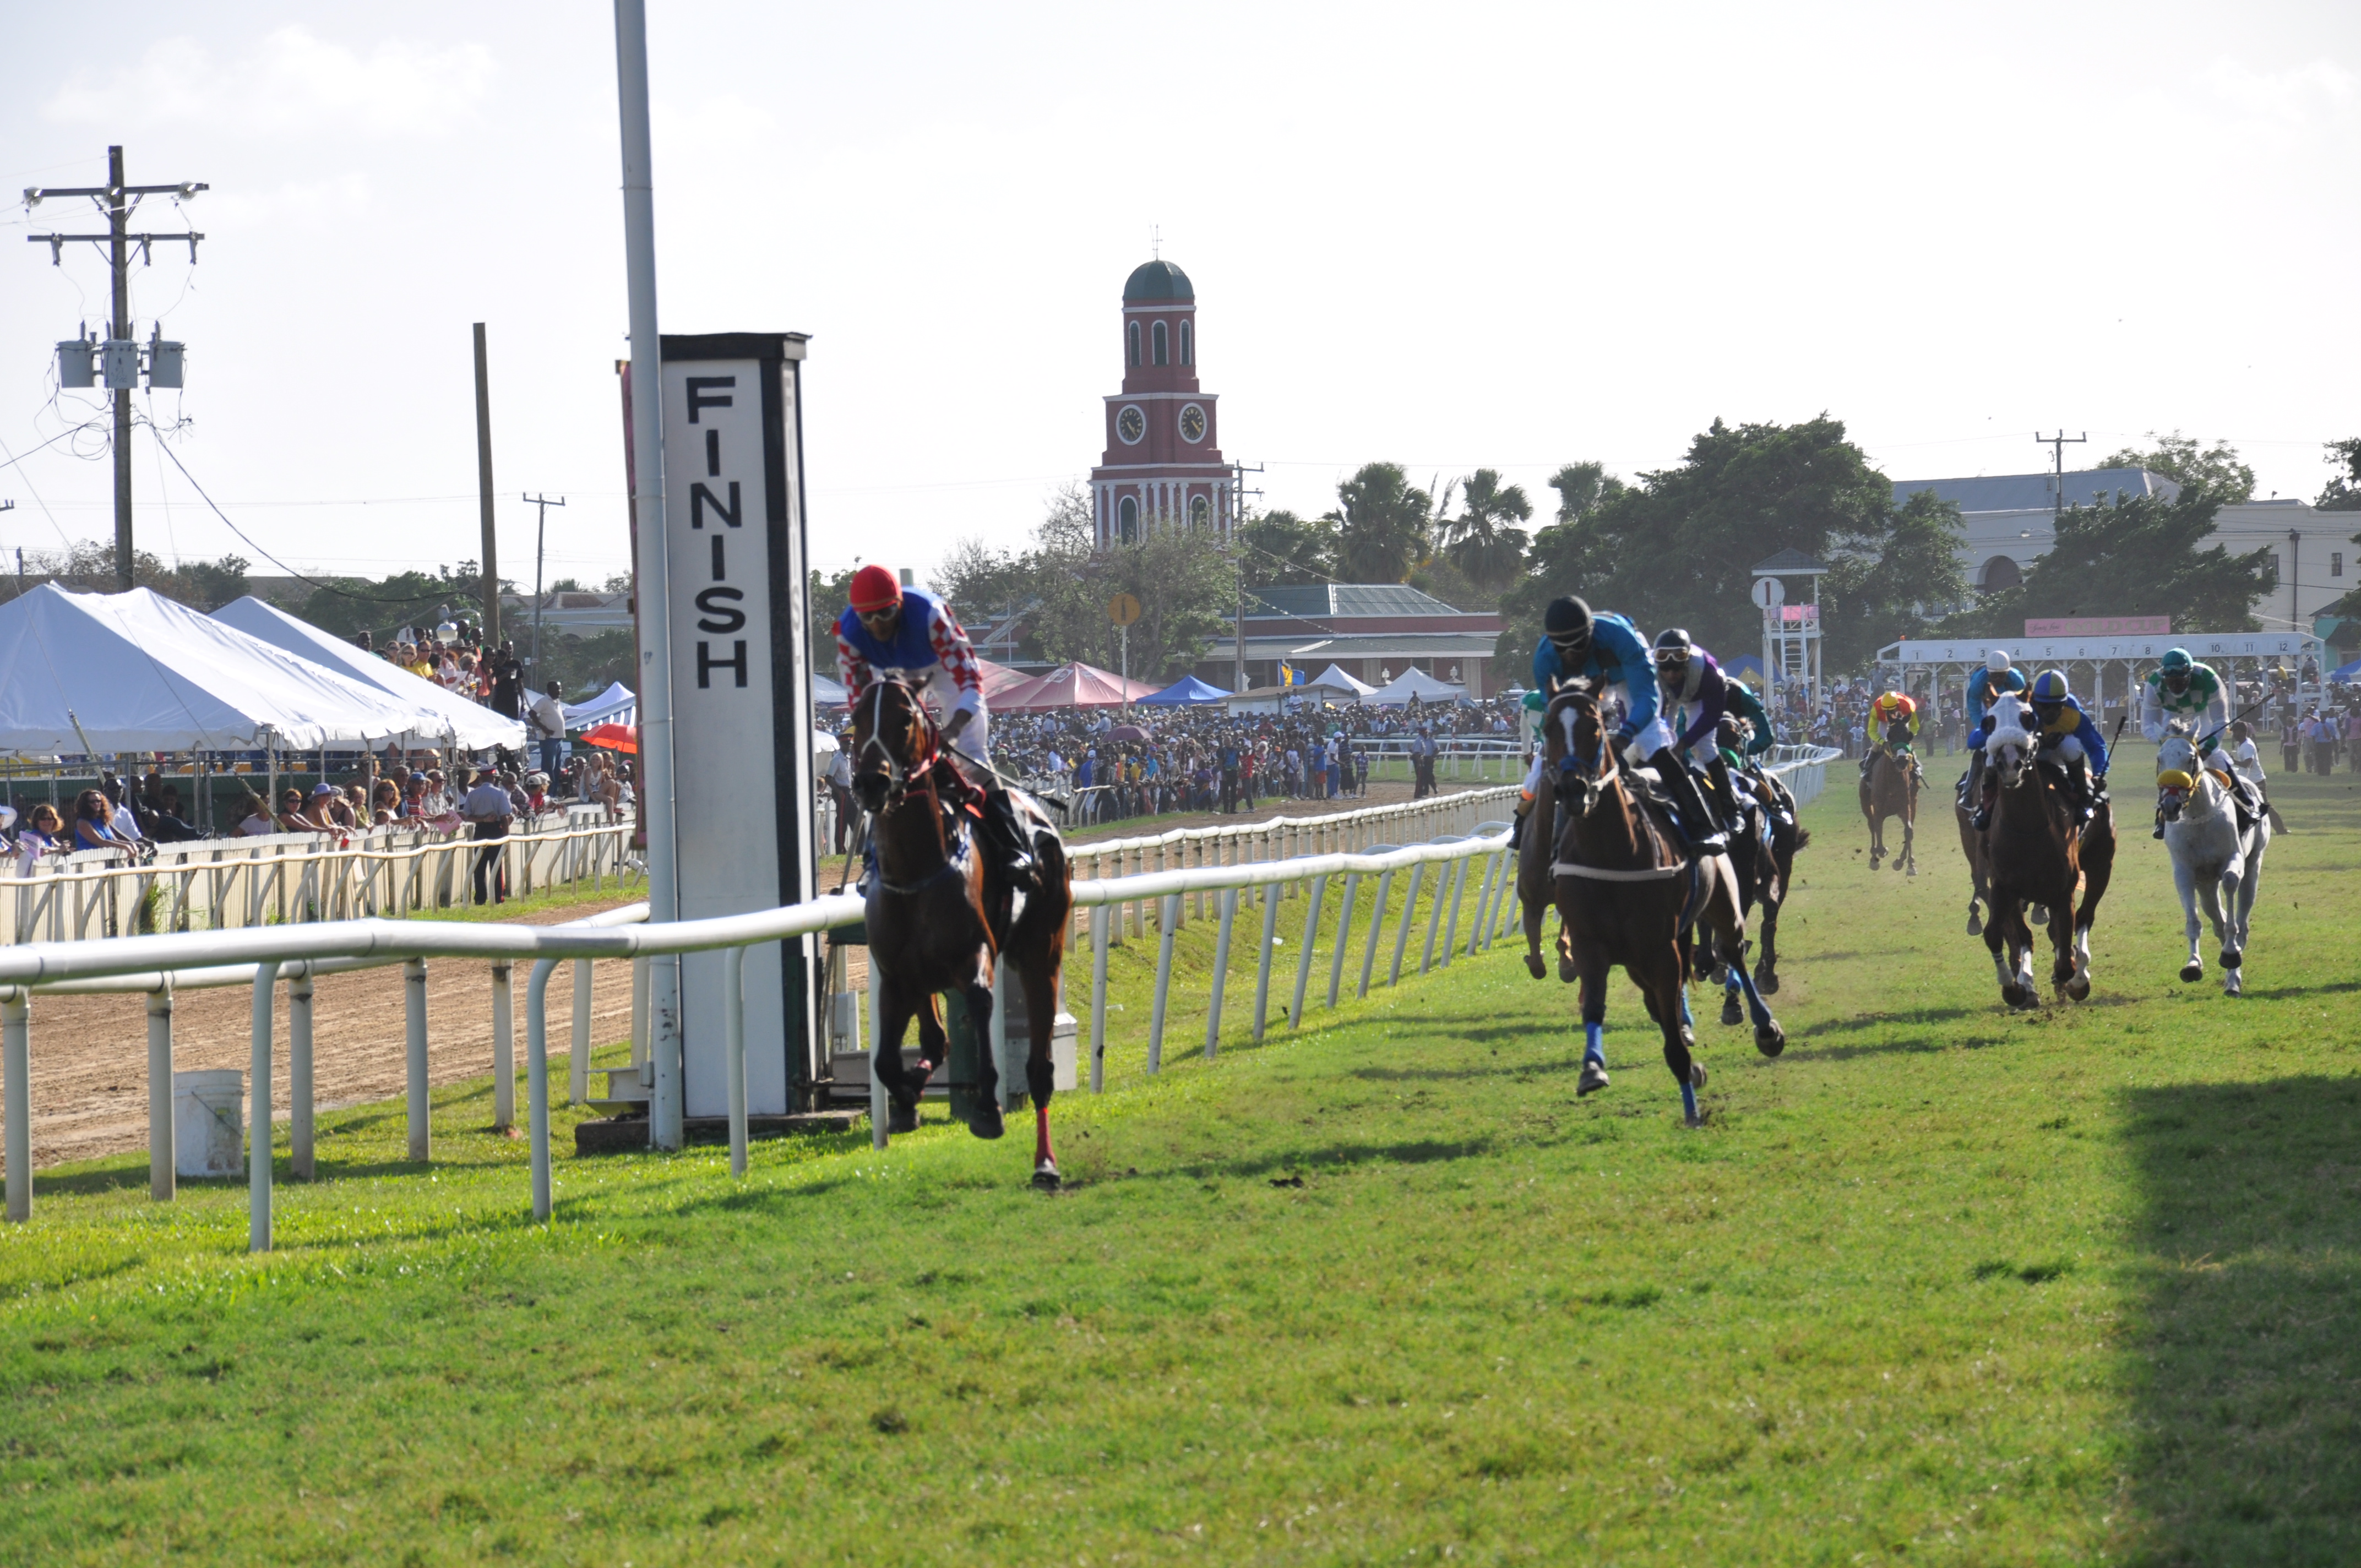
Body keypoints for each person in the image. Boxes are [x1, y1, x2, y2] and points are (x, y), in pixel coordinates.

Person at [834, 563, 1036, 888]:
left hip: (941, 666)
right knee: (881, 766)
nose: (877, 626)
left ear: (899, 605)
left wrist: (951, 731)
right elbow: (861, 706)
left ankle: (1014, 847)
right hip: (885, 673)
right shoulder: (848, 634)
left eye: (884, 614)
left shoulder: (931, 616)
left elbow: (970, 681)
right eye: (867, 618)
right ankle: (874, 857)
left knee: (971, 754)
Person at [1515, 595, 1720, 853]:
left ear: (1590, 634)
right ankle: (1529, 826)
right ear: (1553, 644)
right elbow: (1554, 716)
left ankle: (1702, 826)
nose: (1571, 655)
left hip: (1624, 674)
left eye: (1578, 646)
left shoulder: (1622, 639)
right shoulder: (1544, 658)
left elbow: (1647, 698)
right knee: (1558, 751)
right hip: (1581, 684)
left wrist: (1626, 735)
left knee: (1648, 740)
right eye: (1563, 649)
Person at [1974, 668, 2107, 829]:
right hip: (2025, 753)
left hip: (2057, 754)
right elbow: (1976, 739)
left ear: (2065, 703)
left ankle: (2083, 799)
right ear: (2034, 701)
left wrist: (2099, 773)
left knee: (2071, 746)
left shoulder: (2074, 713)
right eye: (2044, 706)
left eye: (2058, 707)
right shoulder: (2020, 706)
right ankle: (1986, 807)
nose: (2051, 713)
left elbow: (2096, 746)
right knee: (1990, 755)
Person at [1959, 650, 2029, 813]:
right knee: (1983, 748)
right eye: (1995, 676)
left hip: (2012, 711)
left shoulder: (2017, 680)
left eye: (2002, 676)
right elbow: (1974, 709)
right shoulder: (1978, 682)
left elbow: (2024, 707)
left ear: (2008, 672)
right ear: (1988, 673)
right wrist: (1985, 727)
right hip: (1988, 710)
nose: (1998, 679)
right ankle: (1968, 791)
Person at [462, 764, 515, 905]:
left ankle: (480, 898)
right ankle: (498, 897)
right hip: (495, 830)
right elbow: (504, 817)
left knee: (479, 867)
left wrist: (482, 819)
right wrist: (506, 839)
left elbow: (467, 816)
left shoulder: (472, 794)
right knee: (496, 866)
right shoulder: (499, 794)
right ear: (493, 777)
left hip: (480, 830)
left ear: (480, 778)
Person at [1863, 688, 1923, 783]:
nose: (1889, 713)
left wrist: (1910, 734)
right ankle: (1867, 767)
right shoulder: (1876, 709)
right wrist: (1882, 741)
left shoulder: (1907, 706)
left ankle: (1916, 767)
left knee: (1904, 742)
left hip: (1902, 721)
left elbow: (1915, 725)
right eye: (1886, 710)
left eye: (1891, 710)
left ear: (1897, 705)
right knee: (1878, 743)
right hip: (1883, 722)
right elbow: (1872, 730)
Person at [529, 681, 568, 781]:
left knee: (557, 769)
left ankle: (554, 794)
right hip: (549, 739)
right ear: (549, 690)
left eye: (560, 689)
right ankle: (547, 794)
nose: (559, 691)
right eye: (556, 689)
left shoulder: (557, 702)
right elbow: (532, 713)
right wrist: (543, 728)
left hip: (559, 739)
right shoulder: (544, 701)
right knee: (548, 768)